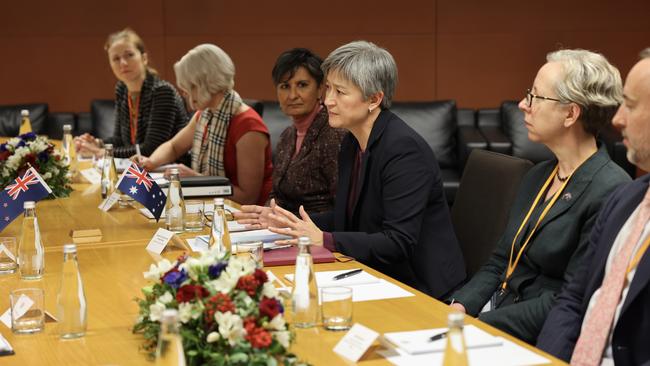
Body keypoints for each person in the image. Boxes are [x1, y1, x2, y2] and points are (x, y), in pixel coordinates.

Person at [236, 41, 466, 299]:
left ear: (374, 99)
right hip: (378, 274)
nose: (328, 101)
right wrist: (288, 221)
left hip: (422, 287)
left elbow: (397, 242)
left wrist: (323, 238)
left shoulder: (403, 150)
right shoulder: (351, 141)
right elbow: (350, 219)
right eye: (329, 89)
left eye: (340, 92)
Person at [448, 49, 631, 344]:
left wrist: (482, 325)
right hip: (495, 314)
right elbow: (500, 261)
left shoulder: (611, 191)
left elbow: (570, 298)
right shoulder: (538, 174)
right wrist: (459, 307)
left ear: (571, 113)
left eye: (535, 96)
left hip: (539, 336)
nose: (523, 105)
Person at [537, 49, 650, 366]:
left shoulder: (609, 187)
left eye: (631, 105)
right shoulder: (626, 199)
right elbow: (574, 299)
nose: (617, 119)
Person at [138, 44, 273, 205]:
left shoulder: (249, 128)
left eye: (189, 87)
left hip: (246, 215)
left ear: (206, 83)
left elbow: (248, 197)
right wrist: (152, 162)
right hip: (211, 205)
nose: (184, 93)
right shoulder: (204, 115)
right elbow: (174, 146)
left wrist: (197, 179)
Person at [75, 28, 188, 159]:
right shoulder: (122, 89)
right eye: (116, 58)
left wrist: (101, 153)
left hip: (169, 170)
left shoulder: (163, 92)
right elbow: (121, 140)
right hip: (140, 168)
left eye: (129, 55)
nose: (123, 63)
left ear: (144, 58)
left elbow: (151, 149)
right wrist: (97, 144)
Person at [270, 48, 346, 214]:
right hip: (282, 230)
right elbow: (276, 193)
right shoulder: (287, 135)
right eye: (284, 86)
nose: (292, 95)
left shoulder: (334, 134)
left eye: (302, 85)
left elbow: (343, 209)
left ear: (320, 89)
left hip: (318, 234)